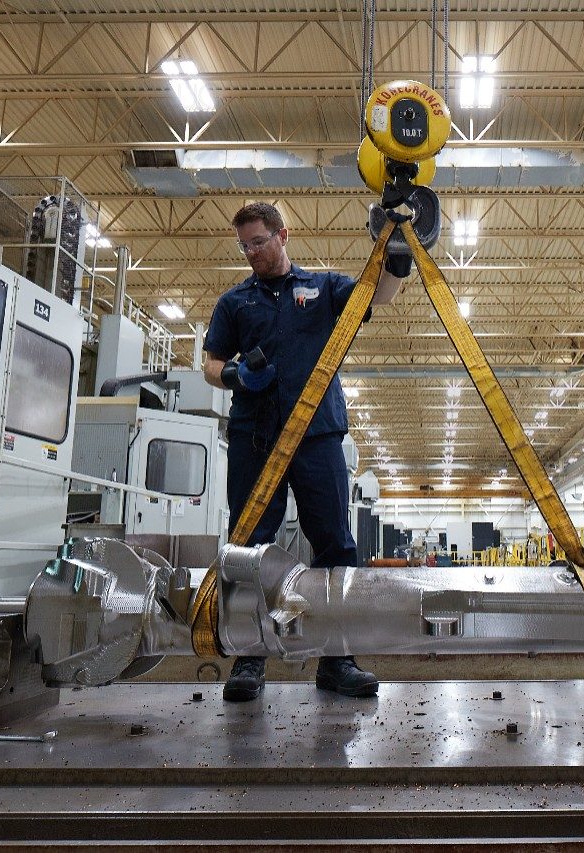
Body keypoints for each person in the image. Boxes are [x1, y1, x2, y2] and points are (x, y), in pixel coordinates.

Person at [202, 201, 411, 701]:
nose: (252, 252)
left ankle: (337, 658)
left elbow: (376, 297)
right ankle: (249, 659)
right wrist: (234, 375)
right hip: (256, 436)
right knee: (249, 543)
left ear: (283, 235)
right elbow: (210, 364)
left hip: (317, 434)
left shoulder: (323, 288)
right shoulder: (235, 302)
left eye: (259, 241)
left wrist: (396, 257)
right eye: (245, 245)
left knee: (336, 544)